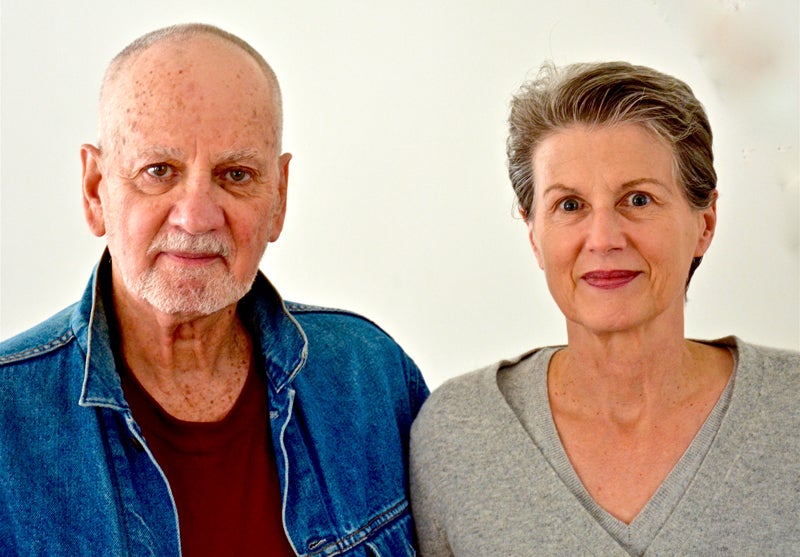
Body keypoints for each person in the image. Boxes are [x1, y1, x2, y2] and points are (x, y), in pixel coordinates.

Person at [0, 23, 428, 556]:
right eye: (159, 170)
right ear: (95, 191)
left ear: (280, 196)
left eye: (236, 174)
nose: (197, 217)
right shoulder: (8, 420)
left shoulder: (372, 377)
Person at [409, 61, 800, 556]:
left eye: (638, 199)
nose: (603, 240)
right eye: (569, 205)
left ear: (704, 224)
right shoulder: (456, 436)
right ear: (534, 235)